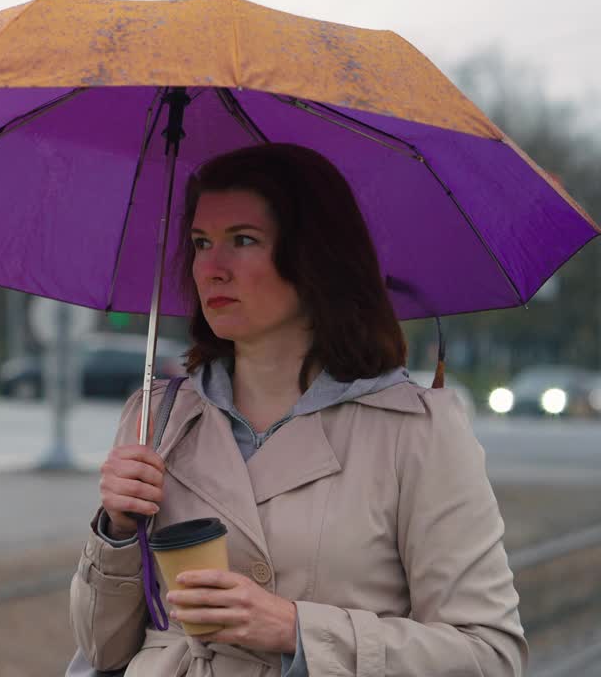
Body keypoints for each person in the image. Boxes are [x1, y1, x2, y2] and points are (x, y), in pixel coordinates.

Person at [68, 144, 527, 676]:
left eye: (242, 240)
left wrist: (295, 630)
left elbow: (490, 655)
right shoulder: (156, 419)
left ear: (316, 258)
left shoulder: (417, 433)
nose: (210, 268)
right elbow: (101, 651)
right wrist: (118, 531)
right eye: (200, 243)